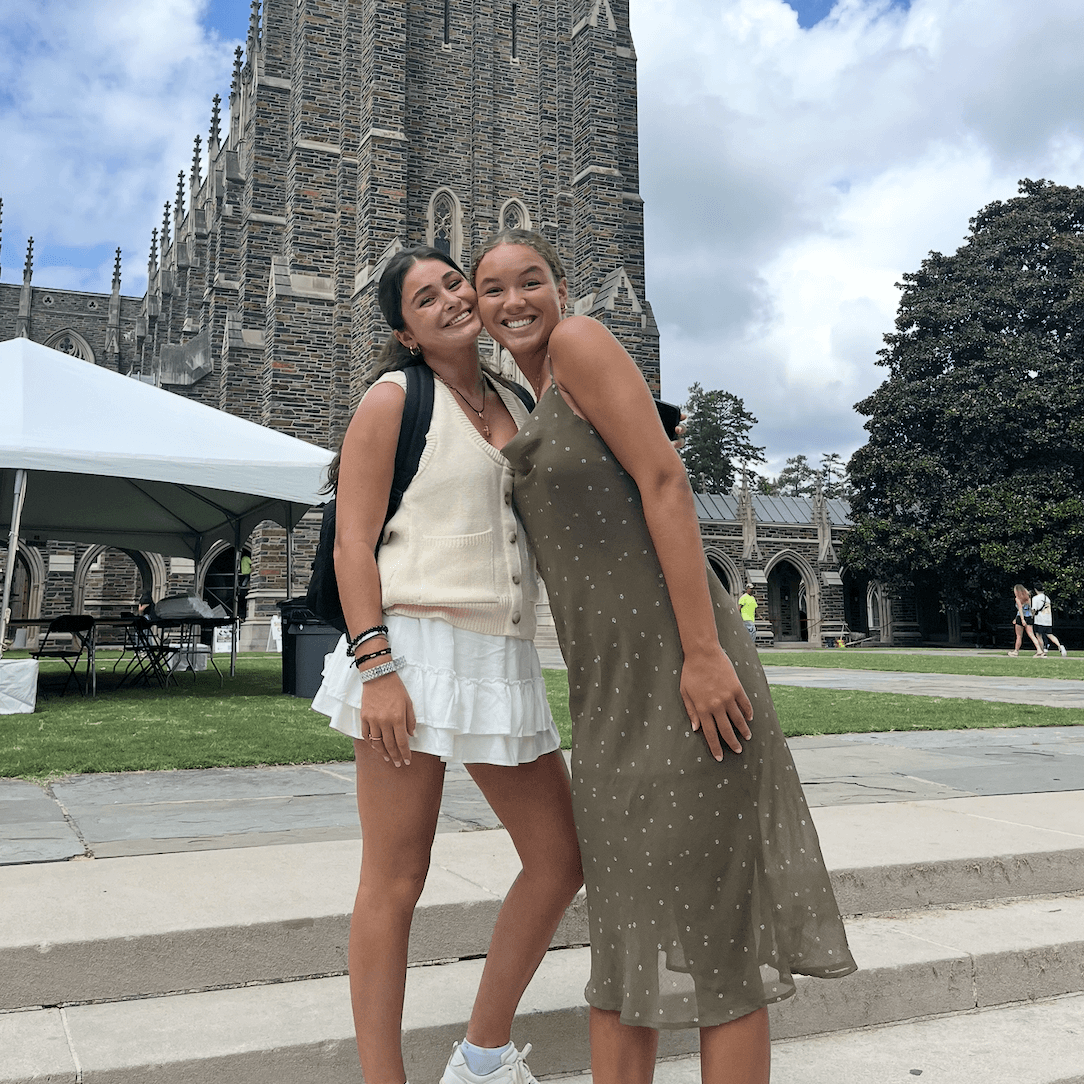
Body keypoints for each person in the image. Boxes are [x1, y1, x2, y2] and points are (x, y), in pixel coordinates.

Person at [472, 230, 856, 1084]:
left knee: (717, 942)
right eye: (493, 288)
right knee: (624, 936)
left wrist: (705, 653)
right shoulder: (525, 399)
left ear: (561, 289)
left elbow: (664, 481)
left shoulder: (579, 343)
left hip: (684, 670)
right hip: (608, 695)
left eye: (531, 281)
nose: (514, 300)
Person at [310, 245, 583, 1084]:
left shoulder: (517, 397)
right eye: (425, 298)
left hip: (501, 654)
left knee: (561, 859)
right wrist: (377, 670)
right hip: (410, 649)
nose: (453, 300)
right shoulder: (393, 399)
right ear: (406, 331)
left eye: (454, 283)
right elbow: (353, 544)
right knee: (396, 879)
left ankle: (482, 1057)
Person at [1031, 584, 1067, 657]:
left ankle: (1041, 651)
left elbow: (1034, 609)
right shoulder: (1047, 598)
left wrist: (1032, 616)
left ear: (1035, 590)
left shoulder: (1035, 598)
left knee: (1039, 635)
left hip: (1039, 619)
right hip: (1048, 620)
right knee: (1050, 634)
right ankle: (1060, 646)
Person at [1009, 584, 1044, 658]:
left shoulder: (1017, 598)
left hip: (1021, 617)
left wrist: (1022, 619)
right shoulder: (1028, 597)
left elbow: (1020, 609)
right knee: (1032, 635)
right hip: (1028, 617)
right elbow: (1031, 608)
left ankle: (1016, 651)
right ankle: (1039, 650)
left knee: (1019, 636)